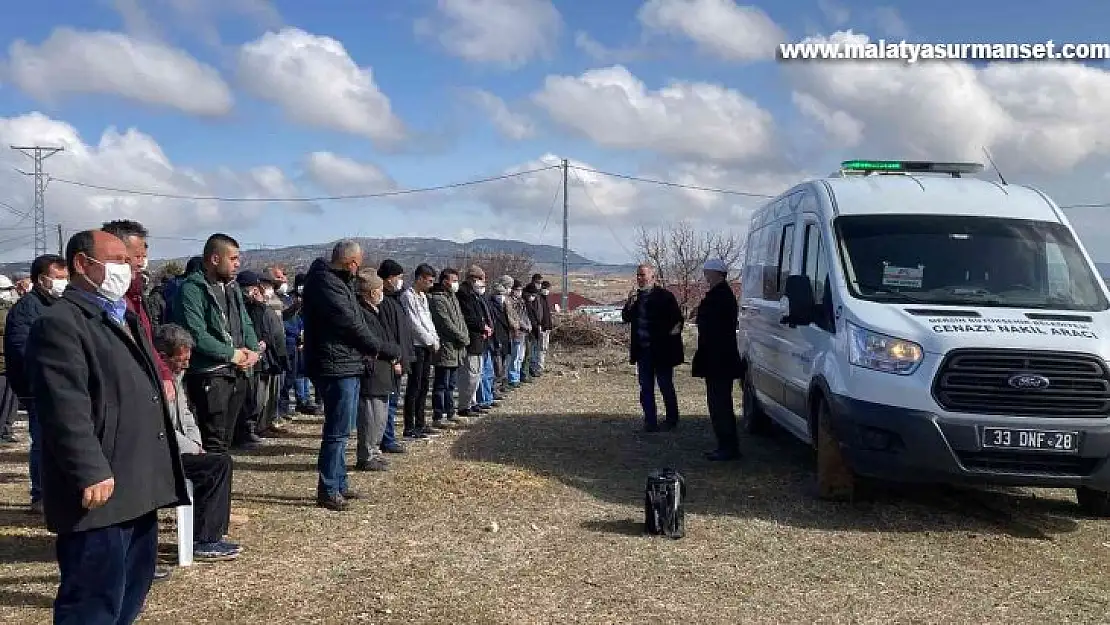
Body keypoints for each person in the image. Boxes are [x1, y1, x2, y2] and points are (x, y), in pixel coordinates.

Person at [26, 230, 190, 624]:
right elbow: (65, 406)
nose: (129, 266)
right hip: (100, 493)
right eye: (117, 258)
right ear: (83, 264)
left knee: (131, 589)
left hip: (137, 483)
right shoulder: (61, 323)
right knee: (93, 600)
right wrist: (90, 470)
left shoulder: (123, 315)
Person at [302, 240, 384, 511]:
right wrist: (377, 347)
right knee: (336, 431)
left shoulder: (338, 281)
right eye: (358, 263)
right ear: (351, 263)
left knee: (343, 429)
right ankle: (328, 488)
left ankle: (339, 482)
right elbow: (348, 322)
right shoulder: (326, 284)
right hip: (335, 363)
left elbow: (355, 319)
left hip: (346, 361)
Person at [154, 323, 242, 560]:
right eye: (181, 360)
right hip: (160, 452)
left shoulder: (176, 376)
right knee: (217, 466)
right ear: (163, 357)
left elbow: (185, 415)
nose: (186, 365)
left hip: (180, 447)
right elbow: (161, 428)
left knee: (218, 460)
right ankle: (205, 539)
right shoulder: (154, 381)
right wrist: (191, 448)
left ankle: (212, 532)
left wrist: (196, 443)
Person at [171, 235, 261, 453]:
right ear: (214, 258)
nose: (237, 263)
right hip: (210, 374)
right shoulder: (192, 290)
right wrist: (232, 354)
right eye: (233, 258)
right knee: (213, 441)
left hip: (237, 372)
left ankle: (221, 480)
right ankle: (212, 485)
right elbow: (196, 334)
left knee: (227, 440)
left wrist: (253, 351)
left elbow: (245, 322)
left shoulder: (232, 288)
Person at [3, 253, 68, 512]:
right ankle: (40, 494)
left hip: (59, 383)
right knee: (42, 439)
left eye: (66, 277)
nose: (64, 283)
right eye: (58, 278)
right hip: (36, 386)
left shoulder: (58, 304)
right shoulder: (27, 308)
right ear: (41, 279)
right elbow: (21, 347)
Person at [621, 263, 684, 432]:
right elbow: (626, 317)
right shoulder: (637, 298)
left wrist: (670, 342)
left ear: (652, 277)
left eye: (643, 275)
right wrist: (629, 302)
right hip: (643, 351)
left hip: (661, 351)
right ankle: (650, 421)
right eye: (638, 275)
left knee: (665, 385)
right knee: (646, 387)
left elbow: (677, 321)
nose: (640, 278)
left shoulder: (664, 297)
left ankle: (672, 419)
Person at [691, 259, 742, 461]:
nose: (706, 277)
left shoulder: (721, 297)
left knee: (720, 404)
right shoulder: (720, 295)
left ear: (717, 274)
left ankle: (728, 446)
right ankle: (725, 444)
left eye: (708, 273)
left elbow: (713, 326)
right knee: (718, 403)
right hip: (717, 358)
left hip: (719, 358)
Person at [353, 272, 401, 471]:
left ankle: (374, 451)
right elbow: (372, 342)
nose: (382, 294)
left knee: (380, 416)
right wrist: (392, 351)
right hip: (372, 370)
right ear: (372, 292)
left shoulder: (375, 311)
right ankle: (366, 455)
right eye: (380, 290)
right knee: (370, 417)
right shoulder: (362, 313)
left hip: (383, 369)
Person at [237, 271, 289, 438]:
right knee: (256, 396)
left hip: (268, 352)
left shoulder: (262, 305)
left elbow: (268, 327)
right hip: (252, 355)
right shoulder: (244, 306)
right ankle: (253, 427)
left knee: (267, 394)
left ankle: (265, 423)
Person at [377, 259, 420, 446]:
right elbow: (387, 333)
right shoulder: (384, 301)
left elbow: (403, 331)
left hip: (400, 356)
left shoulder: (396, 299)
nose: (401, 281)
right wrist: (395, 359)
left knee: (393, 399)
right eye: (398, 277)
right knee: (389, 401)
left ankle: (388, 436)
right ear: (388, 278)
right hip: (390, 359)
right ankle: (387, 439)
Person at [401, 263, 439, 438]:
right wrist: (428, 340)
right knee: (414, 386)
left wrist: (434, 339)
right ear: (420, 278)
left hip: (427, 346)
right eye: (429, 281)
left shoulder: (423, 297)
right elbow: (413, 323)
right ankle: (409, 426)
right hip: (416, 345)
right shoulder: (407, 296)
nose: (431, 284)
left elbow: (428, 321)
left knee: (424, 385)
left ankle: (421, 422)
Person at [427, 268, 469, 427]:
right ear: (445, 281)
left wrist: (465, 335)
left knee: (451, 384)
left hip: (456, 348)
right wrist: (462, 336)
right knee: (441, 384)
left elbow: (460, 319)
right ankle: (438, 415)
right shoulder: (438, 299)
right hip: (446, 346)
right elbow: (445, 324)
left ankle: (450, 412)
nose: (456, 284)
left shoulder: (452, 297)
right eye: (453, 280)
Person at [0, 275, 17, 444]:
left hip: (8, 360)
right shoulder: (5, 312)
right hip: (2, 362)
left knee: (10, 401)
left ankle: (5, 429)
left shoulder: (10, 309)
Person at [506, 280, 530, 388]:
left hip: (523, 333)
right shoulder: (510, 301)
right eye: (518, 290)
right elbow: (516, 317)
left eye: (521, 290)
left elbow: (525, 315)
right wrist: (523, 325)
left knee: (521, 356)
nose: (519, 292)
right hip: (516, 332)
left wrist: (529, 325)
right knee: (514, 357)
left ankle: (518, 375)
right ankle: (513, 378)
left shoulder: (521, 301)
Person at [535, 280, 555, 373]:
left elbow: (547, 314)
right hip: (542, 327)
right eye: (545, 288)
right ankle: (538, 367)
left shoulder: (545, 298)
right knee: (541, 348)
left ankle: (541, 365)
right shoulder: (539, 299)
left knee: (544, 348)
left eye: (548, 289)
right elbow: (540, 314)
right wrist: (540, 325)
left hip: (547, 327)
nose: (547, 290)